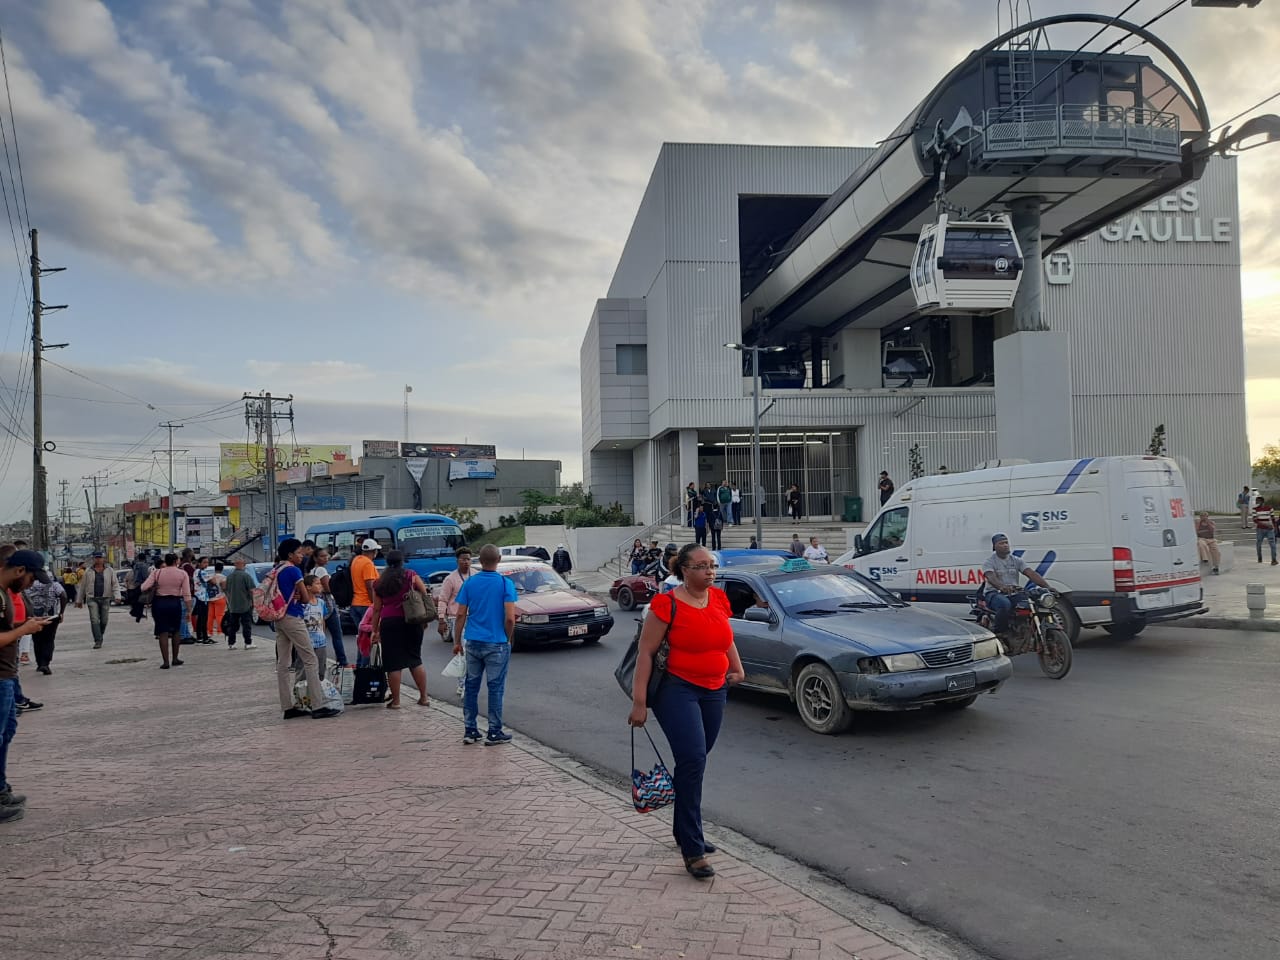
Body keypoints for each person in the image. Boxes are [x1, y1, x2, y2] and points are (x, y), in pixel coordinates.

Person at [628, 544, 744, 880]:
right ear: (684, 570)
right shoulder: (666, 605)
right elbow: (645, 654)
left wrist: (737, 668)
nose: (710, 572)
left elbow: (726, 637)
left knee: (695, 761)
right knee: (693, 760)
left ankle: (683, 830)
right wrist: (639, 702)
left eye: (713, 566)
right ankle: (692, 849)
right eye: (702, 566)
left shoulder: (718, 599)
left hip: (714, 689)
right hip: (677, 690)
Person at [0, 549, 58, 823]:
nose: (32, 585)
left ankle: (1, 790)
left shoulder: (4, 595)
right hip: (0, 677)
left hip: (7, 675)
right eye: (32, 579)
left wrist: (25, 624)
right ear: (20, 570)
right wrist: (23, 630)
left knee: (7, 732)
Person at [453, 544, 517, 745]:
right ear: (498, 559)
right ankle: (494, 731)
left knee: (471, 686)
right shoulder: (506, 584)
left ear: (479, 561)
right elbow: (510, 618)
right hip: (496, 642)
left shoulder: (470, 583)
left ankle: (470, 730)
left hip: (473, 641)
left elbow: (461, 614)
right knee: (495, 688)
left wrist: (457, 641)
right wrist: (507, 638)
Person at [272, 539, 339, 720]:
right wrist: (298, 594)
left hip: (279, 618)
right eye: (299, 553)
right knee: (310, 659)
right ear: (290, 555)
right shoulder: (294, 570)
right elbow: (304, 598)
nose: (302, 556)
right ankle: (318, 705)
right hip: (293, 617)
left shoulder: (277, 569)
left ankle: (287, 706)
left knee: (284, 663)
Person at [370, 550, 431, 710]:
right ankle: (424, 697)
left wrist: (374, 631)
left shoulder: (379, 583)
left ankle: (396, 701)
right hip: (412, 620)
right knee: (415, 659)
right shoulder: (411, 575)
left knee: (393, 664)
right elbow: (424, 594)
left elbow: (376, 609)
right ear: (402, 561)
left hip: (389, 623)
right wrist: (425, 618)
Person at [981, 533, 1054, 633]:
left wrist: (1048, 587)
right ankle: (1001, 632)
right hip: (994, 593)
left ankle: (1030, 630)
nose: (1005, 545)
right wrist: (1001, 587)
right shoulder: (989, 562)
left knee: (1033, 604)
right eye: (1001, 543)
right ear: (994, 546)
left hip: (1013, 593)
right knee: (1005, 604)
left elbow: (1031, 573)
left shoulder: (1016, 560)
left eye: (1006, 542)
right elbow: (990, 577)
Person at [140, 553, 191, 669]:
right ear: (176, 561)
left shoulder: (157, 572)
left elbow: (143, 587)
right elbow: (187, 594)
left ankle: (165, 661)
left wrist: (155, 587)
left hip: (160, 603)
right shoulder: (182, 574)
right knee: (176, 631)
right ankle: (175, 658)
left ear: (166, 561)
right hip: (175, 603)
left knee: (162, 632)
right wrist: (189, 610)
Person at [308, 549, 348, 667]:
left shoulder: (312, 570)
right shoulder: (321, 570)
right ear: (315, 558)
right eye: (322, 556)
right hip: (328, 604)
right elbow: (328, 587)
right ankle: (342, 661)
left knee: (319, 632)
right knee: (337, 634)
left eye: (326, 556)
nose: (325, 558)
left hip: (318, 605)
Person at [24, 572, 66, 675]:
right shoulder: (54, 584)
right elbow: (63, 595)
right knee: (49, 640)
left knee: (37, 640)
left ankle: (39, 663)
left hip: (34, 616)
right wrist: (61, 612)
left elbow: (24, 598)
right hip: (51, 616)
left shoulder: (30, 585)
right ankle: (45, 663)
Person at [75, 553, 120, 649]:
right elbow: (82, 586)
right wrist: (79, 600)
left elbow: (115, 584)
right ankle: (98, 640)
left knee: (104, 620)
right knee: (94, 619)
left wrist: (117, 596)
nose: (98, 560)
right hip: (92, 599)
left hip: (105, 598)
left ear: (103, 559)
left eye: (100, 558)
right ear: (93, 559)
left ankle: (99, 634)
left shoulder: (110, 570)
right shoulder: (88, 571)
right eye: (96, 558)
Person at [348, 539, 380, 635]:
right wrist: (374, 604)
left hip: (355, 603)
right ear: (374, 551)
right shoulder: (368, 564)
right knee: (369, 637)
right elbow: (370, 586)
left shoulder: (356, 560)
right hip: (366, 604)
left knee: (362, 636)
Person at [300, 576, 331, 676]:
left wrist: (323, 634)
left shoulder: (321, 603)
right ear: (308, 587)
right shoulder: (302, 604)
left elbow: (322, 620)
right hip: (305, 643)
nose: (320, 586)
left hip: (320, 642)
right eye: (317, 584)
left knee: (321, 670)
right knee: (304, 672)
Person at [223, 557, 255, 649]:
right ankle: (248, 643)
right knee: (246, 624)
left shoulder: (229, 577)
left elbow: (226, 589)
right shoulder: (246, 576)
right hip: (245, 604)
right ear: (242, 565)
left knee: (233, 625)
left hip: (233, 605)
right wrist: (253, 601)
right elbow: (251, 590)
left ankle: (231, 643)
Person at [191, 556, 216, 644]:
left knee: (200, 618)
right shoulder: (202, 572)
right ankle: (205, 637)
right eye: (204, 562)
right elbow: (213, 581)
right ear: (199, 563)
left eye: (207, 562)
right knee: (204, 618)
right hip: (203, 597)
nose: (206, 564)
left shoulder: (196, 572)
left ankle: (199, 637)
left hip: (198, 596)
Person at [203, 560, 227, 641]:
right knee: (219, 615)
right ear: (222, 569)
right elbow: (224, 588)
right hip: (220, 598)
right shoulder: (223, 577)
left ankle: (209, 631)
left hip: (210, 598)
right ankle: (220, 631)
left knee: (210, 616)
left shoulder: (211, 576)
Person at [1252, 497, 1277, 565]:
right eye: (1256, 501)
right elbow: (1255, 520)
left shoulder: (1269, 508)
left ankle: (1274, 560)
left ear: (1262, 501)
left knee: (1272, 544)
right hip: (1260, 529)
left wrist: (1274, 527)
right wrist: (1265, 524)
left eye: (1258, 501)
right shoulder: (1255, 510)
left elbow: (1273, 518)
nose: (1256, 503)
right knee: (1258, 544)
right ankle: (1259, 558)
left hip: (1269, 529)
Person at [129, 554, 151, 621]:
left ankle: (137, 613)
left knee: (137, 599)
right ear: (144, 558)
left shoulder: (135, 565)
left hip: (135, 584)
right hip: (142, 584)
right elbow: (145, 576)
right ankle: (138, 613)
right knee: (141, 600)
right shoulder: (144, 566)